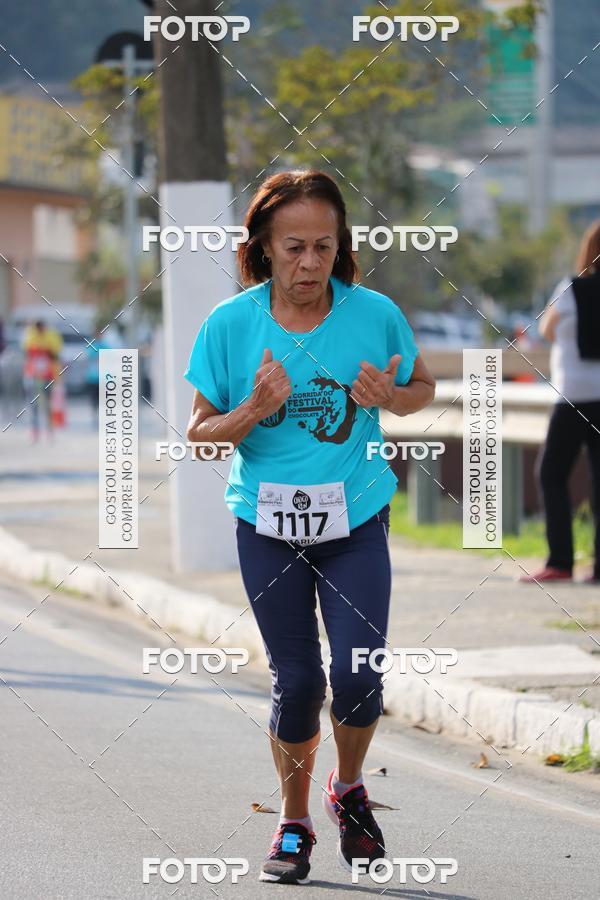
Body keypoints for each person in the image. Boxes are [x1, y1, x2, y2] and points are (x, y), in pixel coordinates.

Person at [184, 170, 436, 884]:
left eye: (324, 246)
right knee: (297, 683)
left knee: (358, 673)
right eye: (293, 247)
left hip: (355, 518)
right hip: (267, 525)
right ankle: (293, 822)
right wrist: (251, 411)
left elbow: (422, 387)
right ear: (264, 247)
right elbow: (200, 435)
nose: (309, 262)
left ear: (340, 245)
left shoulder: (373, 313)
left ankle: (347, 789)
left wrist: (393, 397)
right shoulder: (230, 324)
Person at [520, 221, 600, 584]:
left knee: (551, 474)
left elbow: (546, 329)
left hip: (573, 397)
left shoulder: (571, 288)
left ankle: (561, 562)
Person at [21, 319, 63, 441]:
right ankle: (35, 431)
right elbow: (26, 351)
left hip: (47, 376)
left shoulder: (51, 336)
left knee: (47, 405)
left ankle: (49, 430)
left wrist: (46, 350)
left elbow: (56, 354)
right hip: (33, 376)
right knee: (33, 404)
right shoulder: (30, 336)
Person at [84, 327, 114, 425]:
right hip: (93, 378)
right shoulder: (91, 346)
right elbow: (87, 359)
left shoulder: (105, 346)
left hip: (103, 378)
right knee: (94, 399)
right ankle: (95, 416)